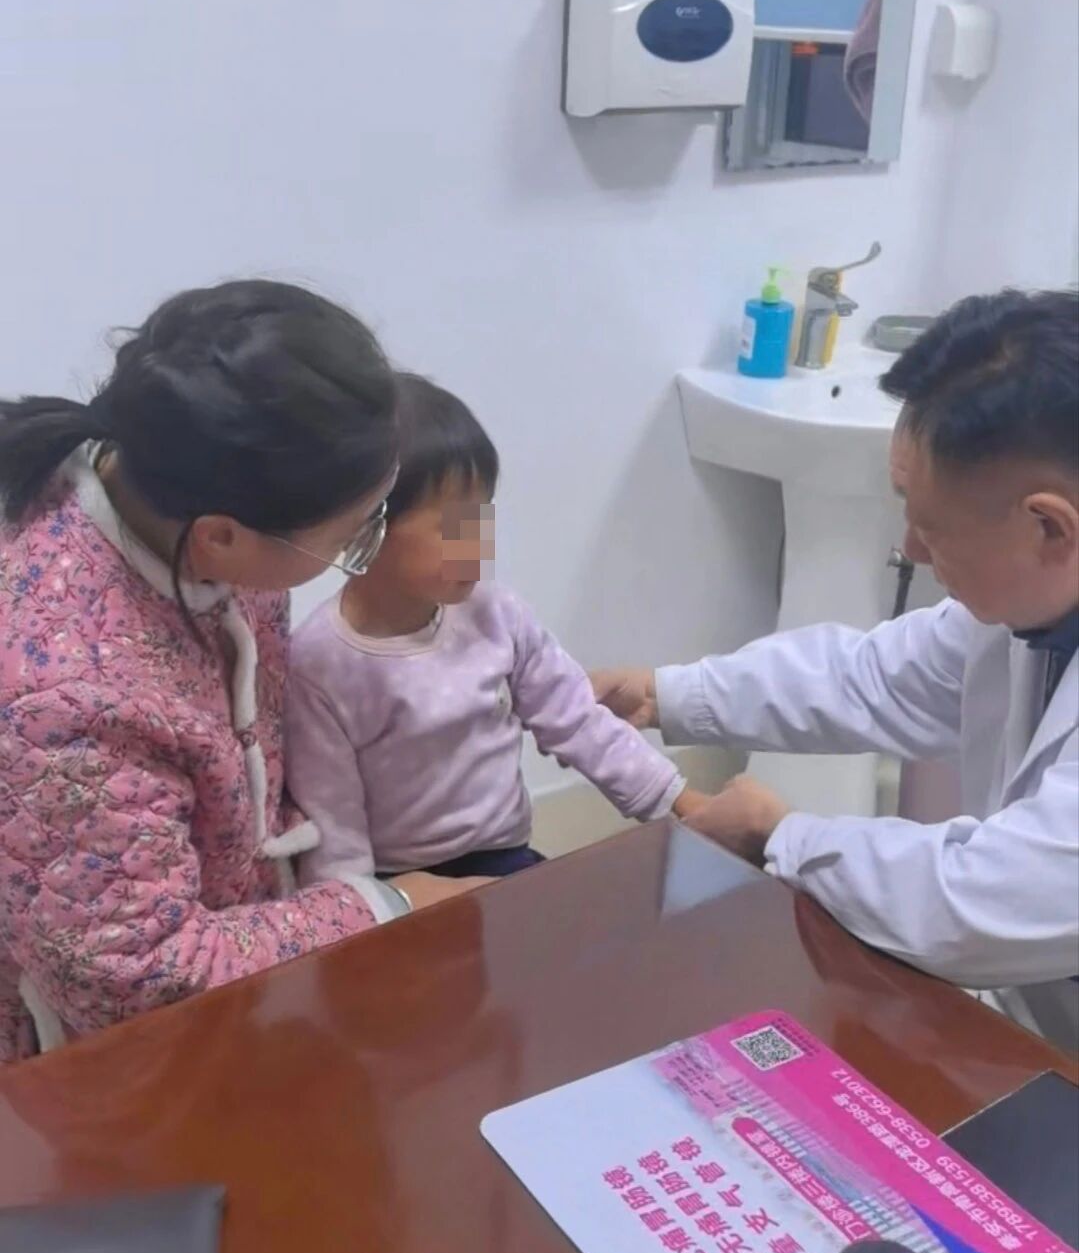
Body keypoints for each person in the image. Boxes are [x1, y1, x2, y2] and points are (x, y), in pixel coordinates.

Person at [0, 279, 482, 1064]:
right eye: (353, 537)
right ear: (220, 538)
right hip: (95, 1056)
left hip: (240, 930)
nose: (361, 549)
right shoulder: (59, 697)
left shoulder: (181, 494)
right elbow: (134, 975)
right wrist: (386, 903)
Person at [594, 289, 1079, 1047]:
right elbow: (869, 677)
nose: (910, 549)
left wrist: (779, 835)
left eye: (930, 527)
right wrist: (665, 694)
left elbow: (978, 903)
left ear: (1048, 526)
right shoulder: (1023, 610)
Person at [286, 373, 704, 897]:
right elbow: (333, 832)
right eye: (451, 528)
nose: (477, 547)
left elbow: (579, 719)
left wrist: (681, 802)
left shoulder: (497, 615)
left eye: (481, 518)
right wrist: (368, 913)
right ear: (364, 525)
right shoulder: (320, 664)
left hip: (504, 857)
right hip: (398, 883)